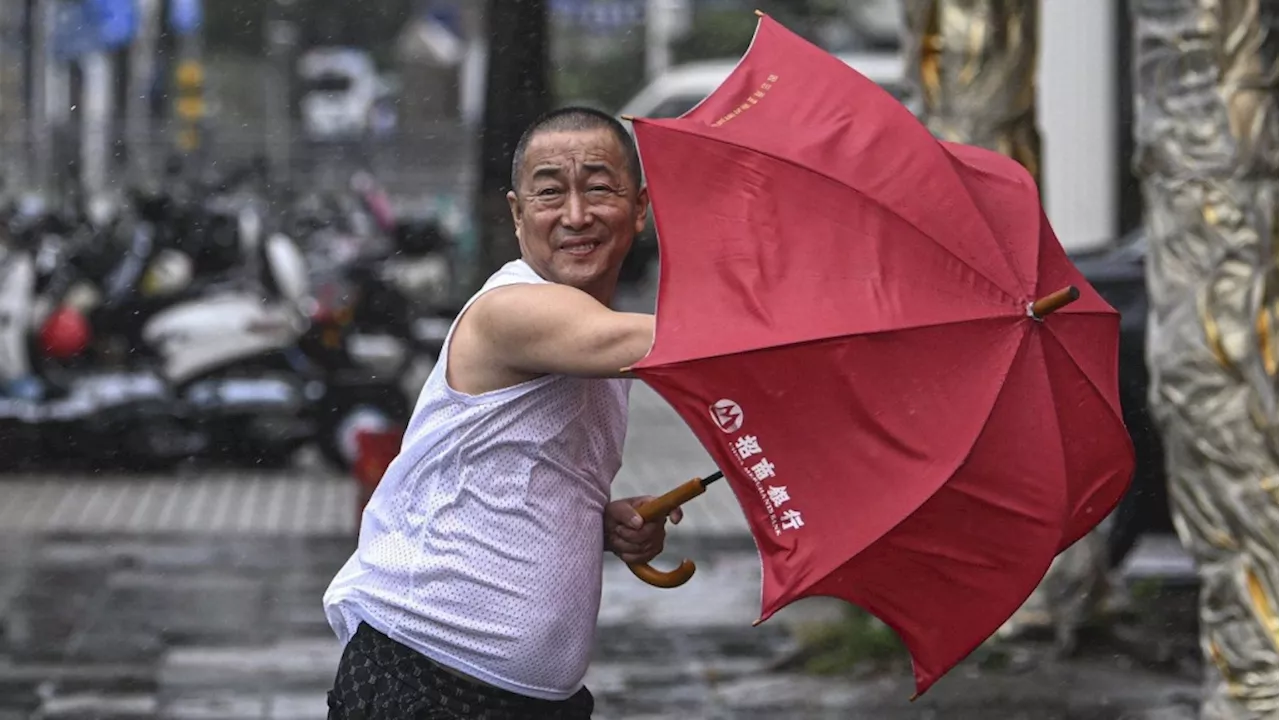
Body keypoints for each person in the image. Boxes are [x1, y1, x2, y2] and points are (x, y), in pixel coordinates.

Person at [322, 106, 681, 719]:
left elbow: (517, 477)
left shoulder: (601, 334)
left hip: (534, 701)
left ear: (641, 208)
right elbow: (663, 344)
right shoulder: (510, 310)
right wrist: (807, 325)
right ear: (517, 215)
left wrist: (600, 523)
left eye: (599, 188)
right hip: (424, 685)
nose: (575, 215)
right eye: (549, 193)